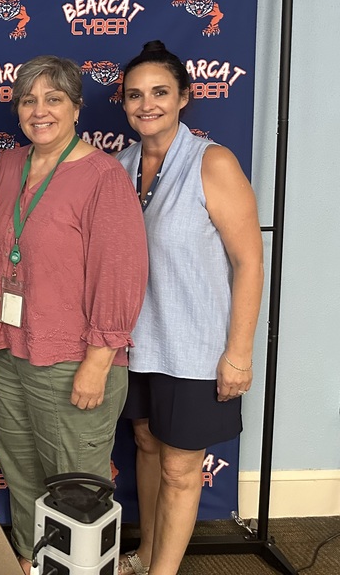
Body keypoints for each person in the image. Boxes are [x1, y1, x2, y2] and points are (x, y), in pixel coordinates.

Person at [0, 54, 148, 573]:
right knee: (23, 471)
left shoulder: (103, 177)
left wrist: (98, 362)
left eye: (53, 99)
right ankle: (34, 563)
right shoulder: (9, 166)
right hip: (10, 353)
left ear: (77, 107)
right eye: (28, 100)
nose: (39, 110)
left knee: (76, 489)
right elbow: (6, 254)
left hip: (75, 361)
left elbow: (119, 276)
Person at [116, 40, 262, 575]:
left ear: (184, 98)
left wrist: (239, 353)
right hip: (136, 343)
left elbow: (249, 263)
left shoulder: (212, 161)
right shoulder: (120, 164)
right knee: (147, 447)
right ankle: (149, 554)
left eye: (159, 92)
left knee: (180, 469)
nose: (145, 104)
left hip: (196, 348)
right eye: (134, 94)